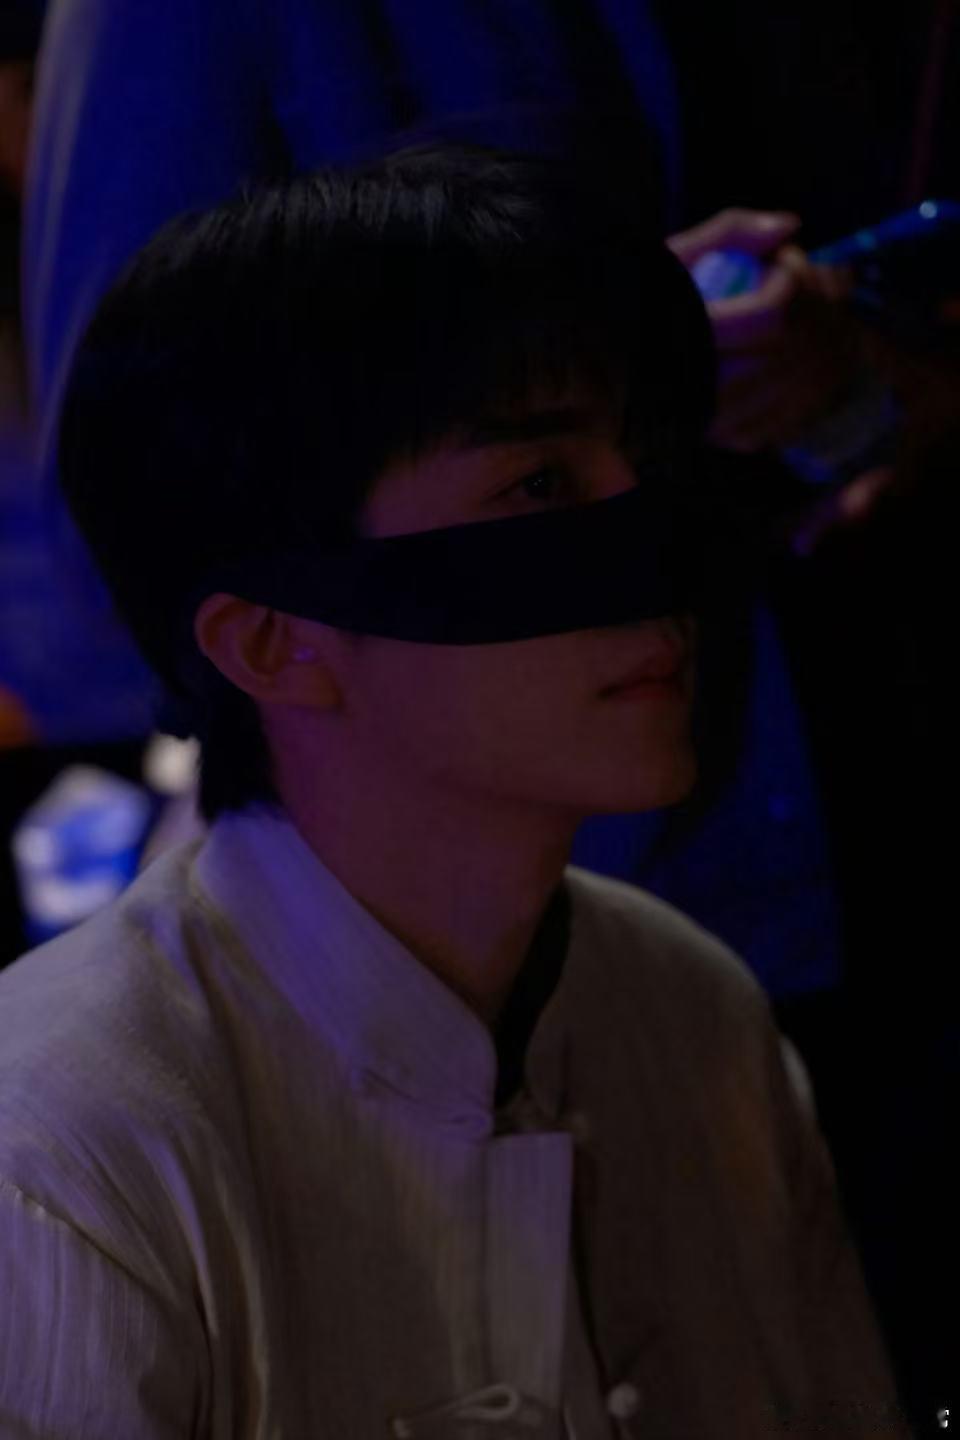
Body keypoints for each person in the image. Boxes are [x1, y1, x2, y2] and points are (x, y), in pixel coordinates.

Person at [0, 146, 911, 1437]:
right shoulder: (61, 1148)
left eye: (648, 463)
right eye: (538, 485)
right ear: (274, 641)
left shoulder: (695, 1015)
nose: (650, 547)